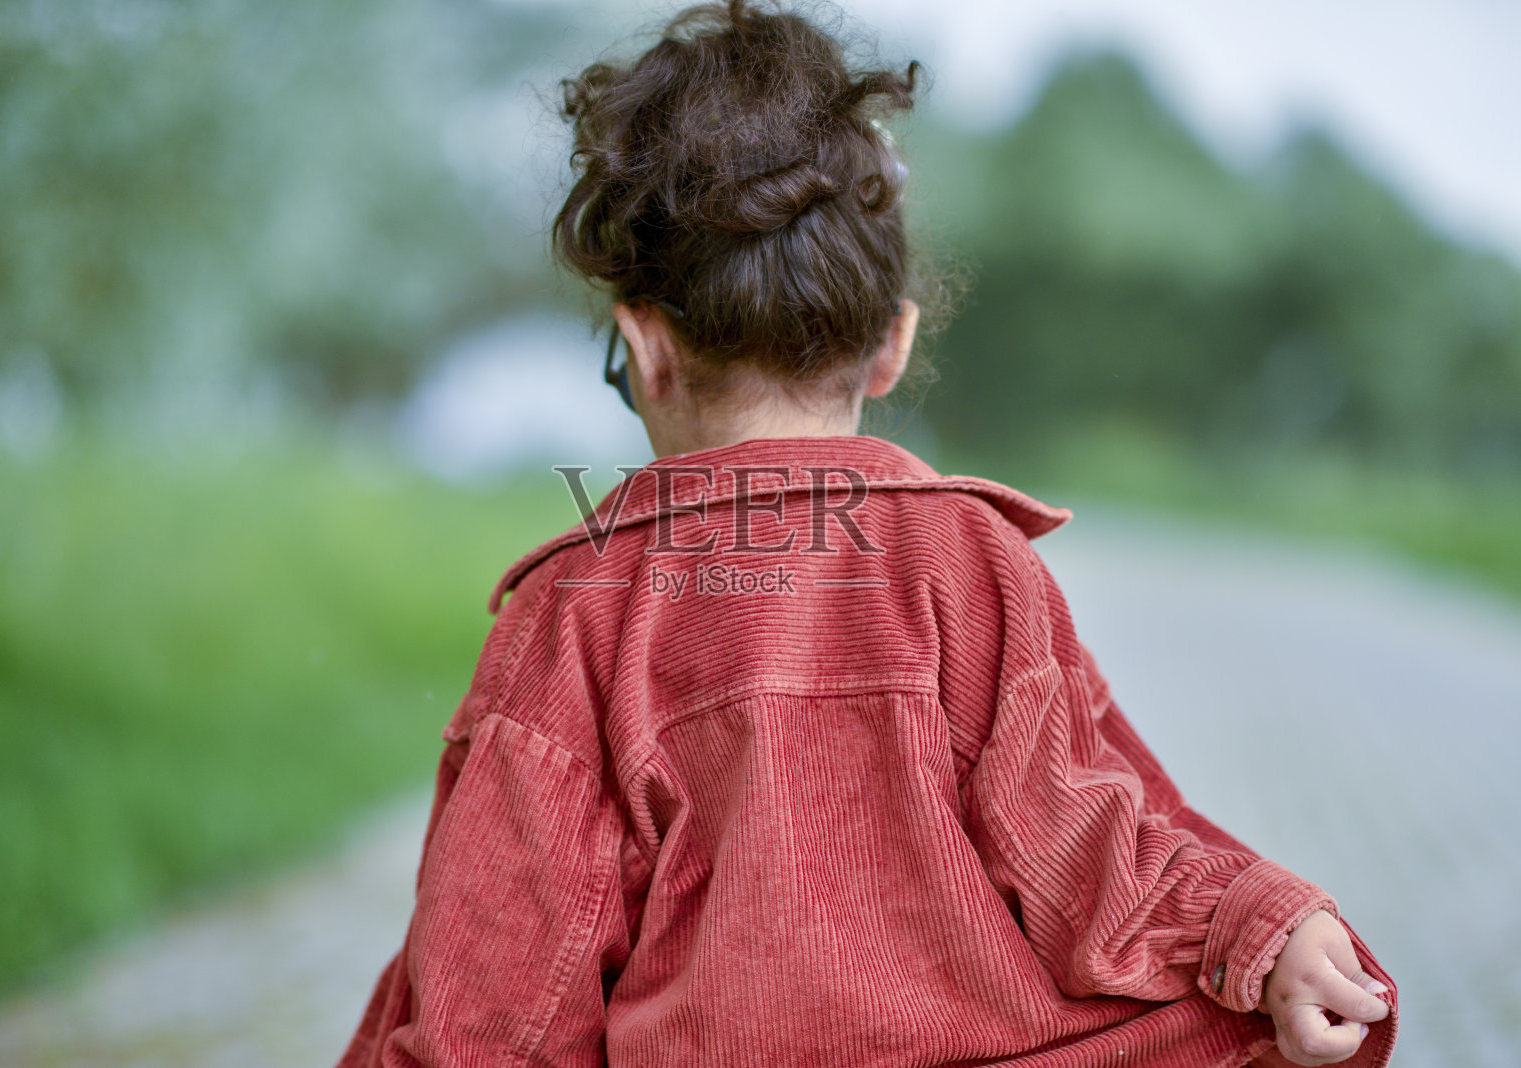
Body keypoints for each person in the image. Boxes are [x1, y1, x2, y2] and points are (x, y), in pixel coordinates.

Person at [333, 2, 1400, 1065]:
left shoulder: (574, 615)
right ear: (890, 345)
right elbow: (1097, 856)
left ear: (643, 349)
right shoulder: (973, 567)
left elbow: (499, 1003)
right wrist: (1263, 935)